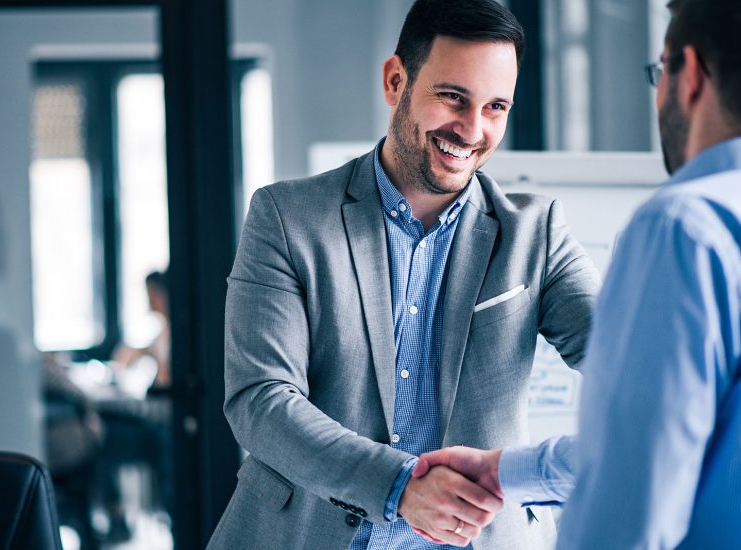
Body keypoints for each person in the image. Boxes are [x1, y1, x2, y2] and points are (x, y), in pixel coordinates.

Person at [414, 0, 741, 547]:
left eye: (659, 71)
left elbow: (629, 504)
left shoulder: (685, 228)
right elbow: (660, 442)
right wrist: (505, 472)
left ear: (689, 74)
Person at [209, 0, 600, 548]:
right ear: (396, 81)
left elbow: (630, 364)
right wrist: (397, 487)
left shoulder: (535, 234)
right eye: (453, 97)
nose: (472, 129)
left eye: (495, 107)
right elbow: (261, 399)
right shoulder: (287, 217)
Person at [112, 270, 171, 390]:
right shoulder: (162, 330)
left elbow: (165, 378)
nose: (150, 301)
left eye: (153, 294)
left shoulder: (177, 333)